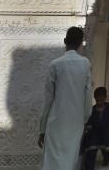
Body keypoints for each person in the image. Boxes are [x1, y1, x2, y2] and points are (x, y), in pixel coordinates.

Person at [38, 27, 93, 170]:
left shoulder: (55, 64)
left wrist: (42, 129)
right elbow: (88, 94)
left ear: (64, 41)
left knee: (52, 161)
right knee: (70, 159)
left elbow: (49, 99)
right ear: (81, 43)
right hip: (75, 121)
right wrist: (85, 118)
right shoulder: (85, 64)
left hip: (56, 120)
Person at [81, 87, 109, 170]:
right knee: (91, 149)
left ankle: (106, 159)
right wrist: (88, 126)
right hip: (94, 133)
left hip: (106, 133)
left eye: (101, 97)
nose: (99, 99)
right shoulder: (92, 109)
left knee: (105, 149)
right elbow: (89, 120)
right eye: (97, 97)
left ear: (105, 97)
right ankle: (89, 167)